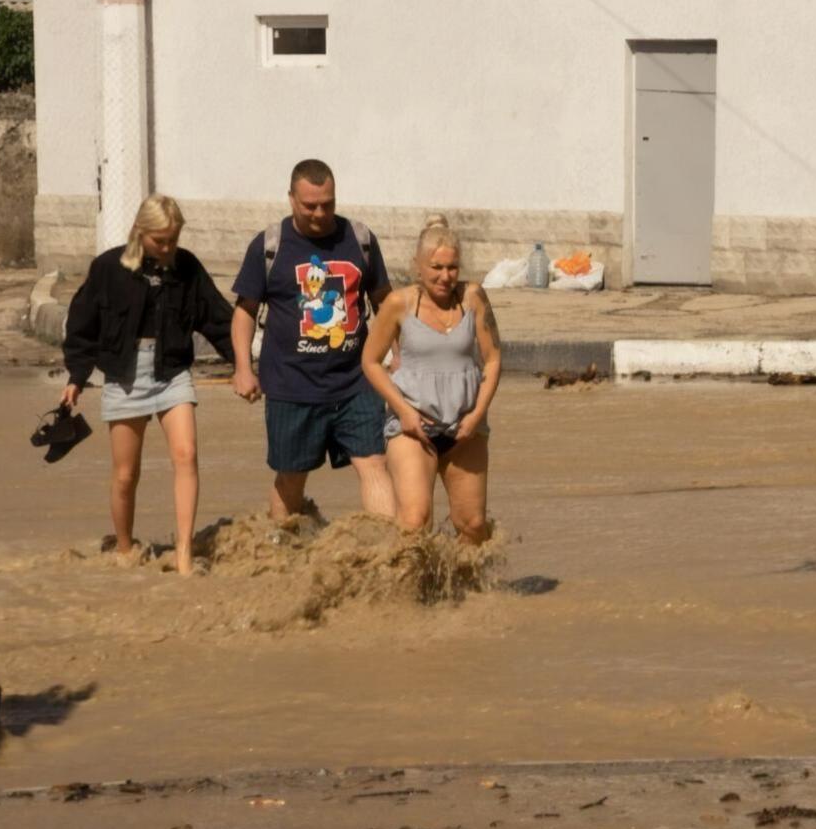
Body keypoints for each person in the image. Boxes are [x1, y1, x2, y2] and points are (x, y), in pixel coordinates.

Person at [61, 194, 235, 576]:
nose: (169, 247)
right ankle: (125, 548)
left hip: (172, 371)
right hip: (124, 376)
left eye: (173, 239)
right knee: (126, 475)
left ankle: (185, 553)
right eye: (161, 240)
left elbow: (218, 319)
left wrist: (246, 365)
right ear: (141, 232)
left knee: (186, 455)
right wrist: (76, 377)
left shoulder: (187, 268)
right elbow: (82, 325)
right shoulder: (107, 268)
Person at [230, 159, 396, 521]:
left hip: (357, 381)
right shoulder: (270, 245)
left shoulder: (360, 239)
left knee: (374, 462)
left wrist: (399, 355)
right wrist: (243, 368)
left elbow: (385, 302)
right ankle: (280, 553)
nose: (320, 213)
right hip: (291, 385)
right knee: (291, 476)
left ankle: (392, 554)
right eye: (310, 206)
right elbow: (245, 311)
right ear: (291, 199)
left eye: (328, 204)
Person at [361, 215, 501, 545]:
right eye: (436, 267)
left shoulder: (474, 298)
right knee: (414, 520)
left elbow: (493, 360)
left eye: (452, 268)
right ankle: (409, 590)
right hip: (413, 427)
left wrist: (476, 415)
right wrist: (404, 412)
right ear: (418, 266)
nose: (445, 276)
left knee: (473, 524)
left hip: (465, 427)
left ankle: (467, 590)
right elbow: (370, 362)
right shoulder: (399, 304)